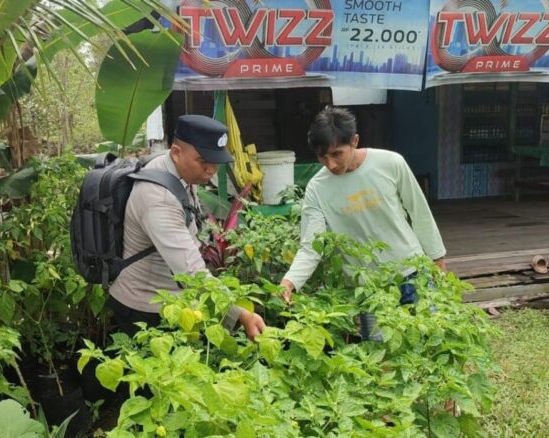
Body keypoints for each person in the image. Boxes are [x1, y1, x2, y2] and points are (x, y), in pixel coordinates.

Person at [279, 107, 447, 338]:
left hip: (412, 273)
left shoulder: (390, 163)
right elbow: (311, 246)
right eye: (322, 157)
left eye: (337, 154)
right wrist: (290, 282)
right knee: (379, 353)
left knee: (431, 341)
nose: (331, 164)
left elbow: (419, 212)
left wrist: (438, 259)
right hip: (368, 287)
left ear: (354, 141)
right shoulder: (317, 189)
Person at [108, 114, 266, 340]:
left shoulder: (177, 169)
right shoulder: (158, 199)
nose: (211, 169)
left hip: (171, 299)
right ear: (176, 152)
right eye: (203, 161)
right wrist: (239, 314)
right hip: (144, 308)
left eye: (216, 161)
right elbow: (190, 272)